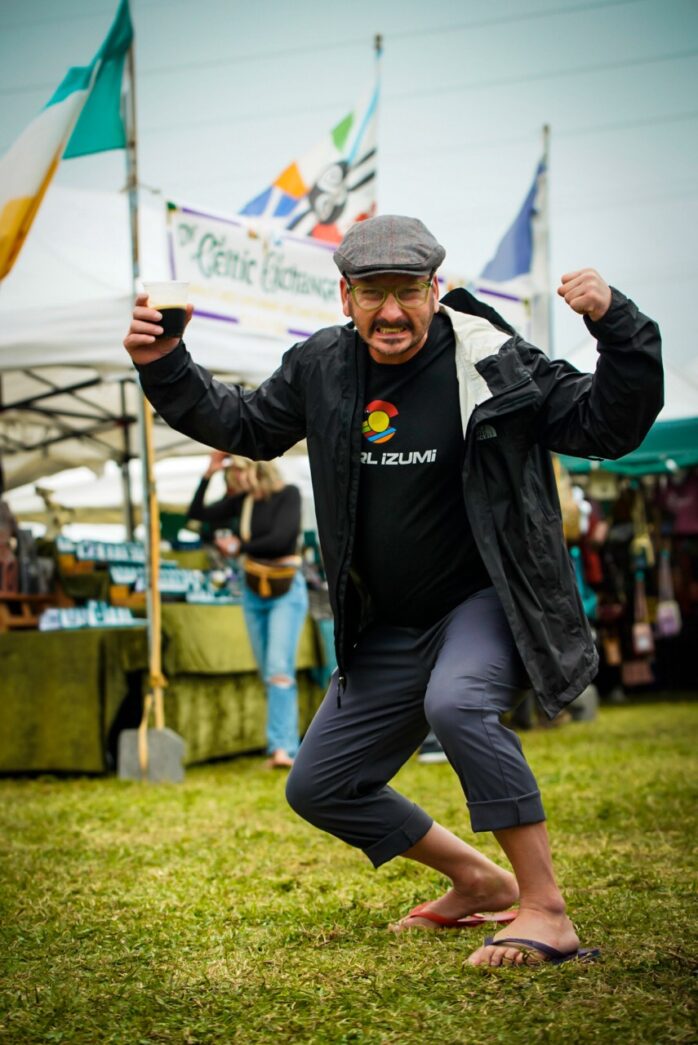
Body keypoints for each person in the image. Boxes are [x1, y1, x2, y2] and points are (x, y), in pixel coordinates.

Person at [124, 214, 662, 967]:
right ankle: (476, 879)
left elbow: (609, 424)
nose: (392, 312)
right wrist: (166, 362)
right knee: (318, 784)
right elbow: (245, 423)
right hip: (386, 623)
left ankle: (546, 909)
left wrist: (619, 326)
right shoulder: (322, 366)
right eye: (373, 293)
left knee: (458, 702)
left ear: (435, 291)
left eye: (408, 291)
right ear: (345, 296)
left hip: (483, 601)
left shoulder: (493, 359)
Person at [201, 455, 307, 769]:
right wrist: (209, 474)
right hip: (252, 590)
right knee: (268, 670)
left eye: (240, 471)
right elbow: (199, 515)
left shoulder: (288, 494)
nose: (236, 478)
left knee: (278, 669)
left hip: (285, 587)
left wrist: (240, 547)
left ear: (257, 469)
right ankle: (280, 744)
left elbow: (282, 539)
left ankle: (284, 749)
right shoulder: (241, 503)